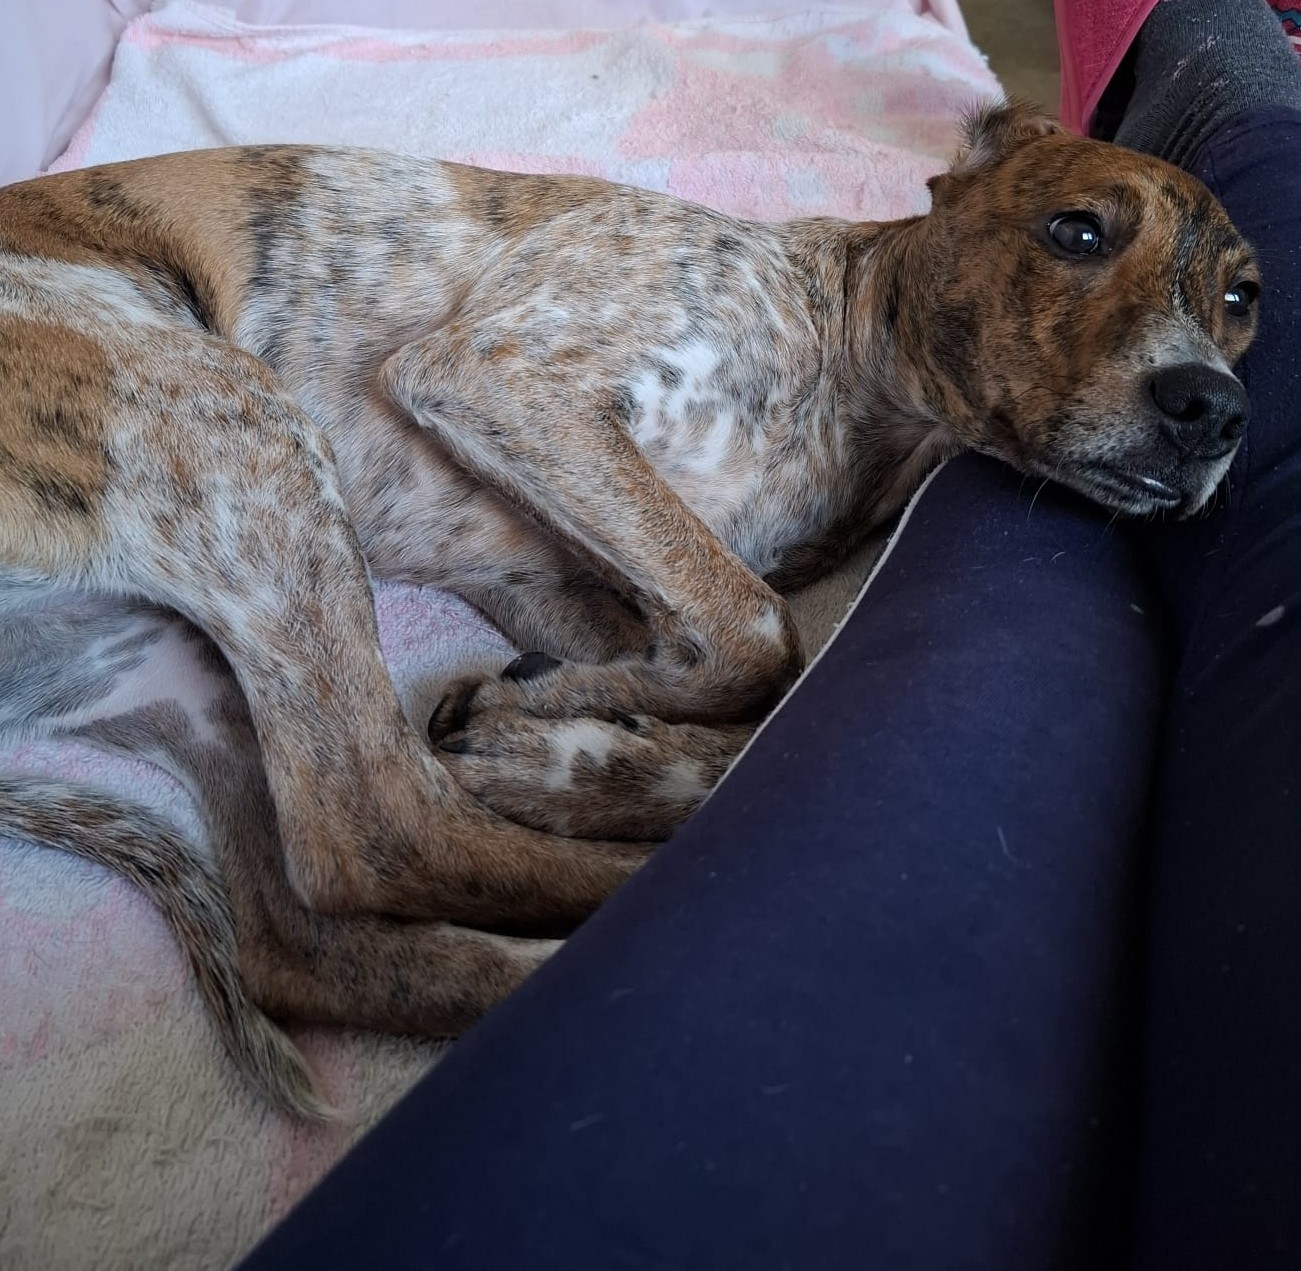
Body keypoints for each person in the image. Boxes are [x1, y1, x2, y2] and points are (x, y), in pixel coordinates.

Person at [239, 3, 1301, 1266]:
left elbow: (509, 540)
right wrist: (739, 638)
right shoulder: (724, 280)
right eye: (1077, 235)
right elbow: (474, 379)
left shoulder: (852, 485)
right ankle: (1221, 64)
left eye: (1233, 305)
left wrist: (640, 723)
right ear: (953, 190)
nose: (1204, 373)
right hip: (144, 300)